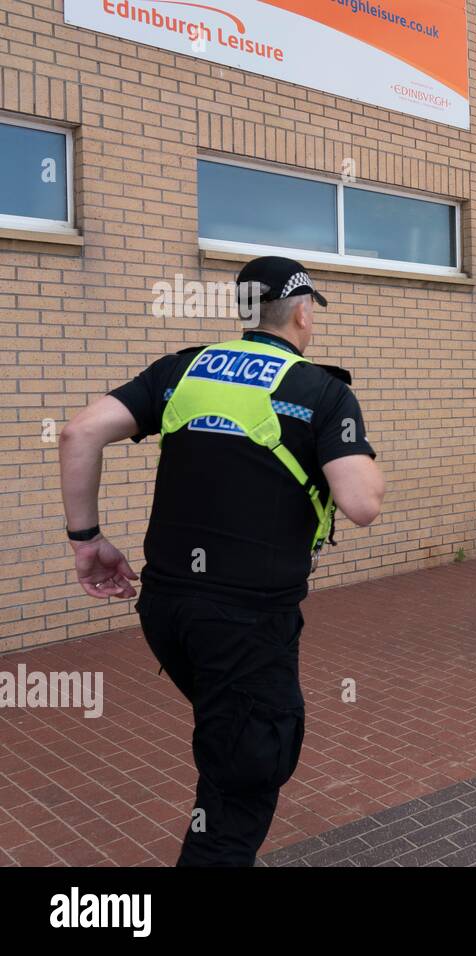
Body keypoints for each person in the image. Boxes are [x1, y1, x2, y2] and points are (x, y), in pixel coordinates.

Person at [58, 256, 384, 866]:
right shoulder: (323, 392)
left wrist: (87, 540)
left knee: (230, 728)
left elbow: (78, 433)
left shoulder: (182, 371)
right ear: (304, 311)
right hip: (245, 621)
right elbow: (361, 503)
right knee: (250, 768)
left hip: (166, 611)